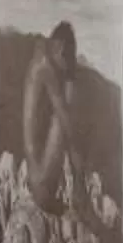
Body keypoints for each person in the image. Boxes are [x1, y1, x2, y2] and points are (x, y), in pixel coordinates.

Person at [21, 22, 79, 215]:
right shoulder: (46, 65)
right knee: (63, 119)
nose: (69, 63)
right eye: (68, 57)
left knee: (61, 114)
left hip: (34, 169)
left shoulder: (43, 55)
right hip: (40, 183)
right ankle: (47, 195)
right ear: (60, 48)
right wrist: (77, 158)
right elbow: (64, 115)